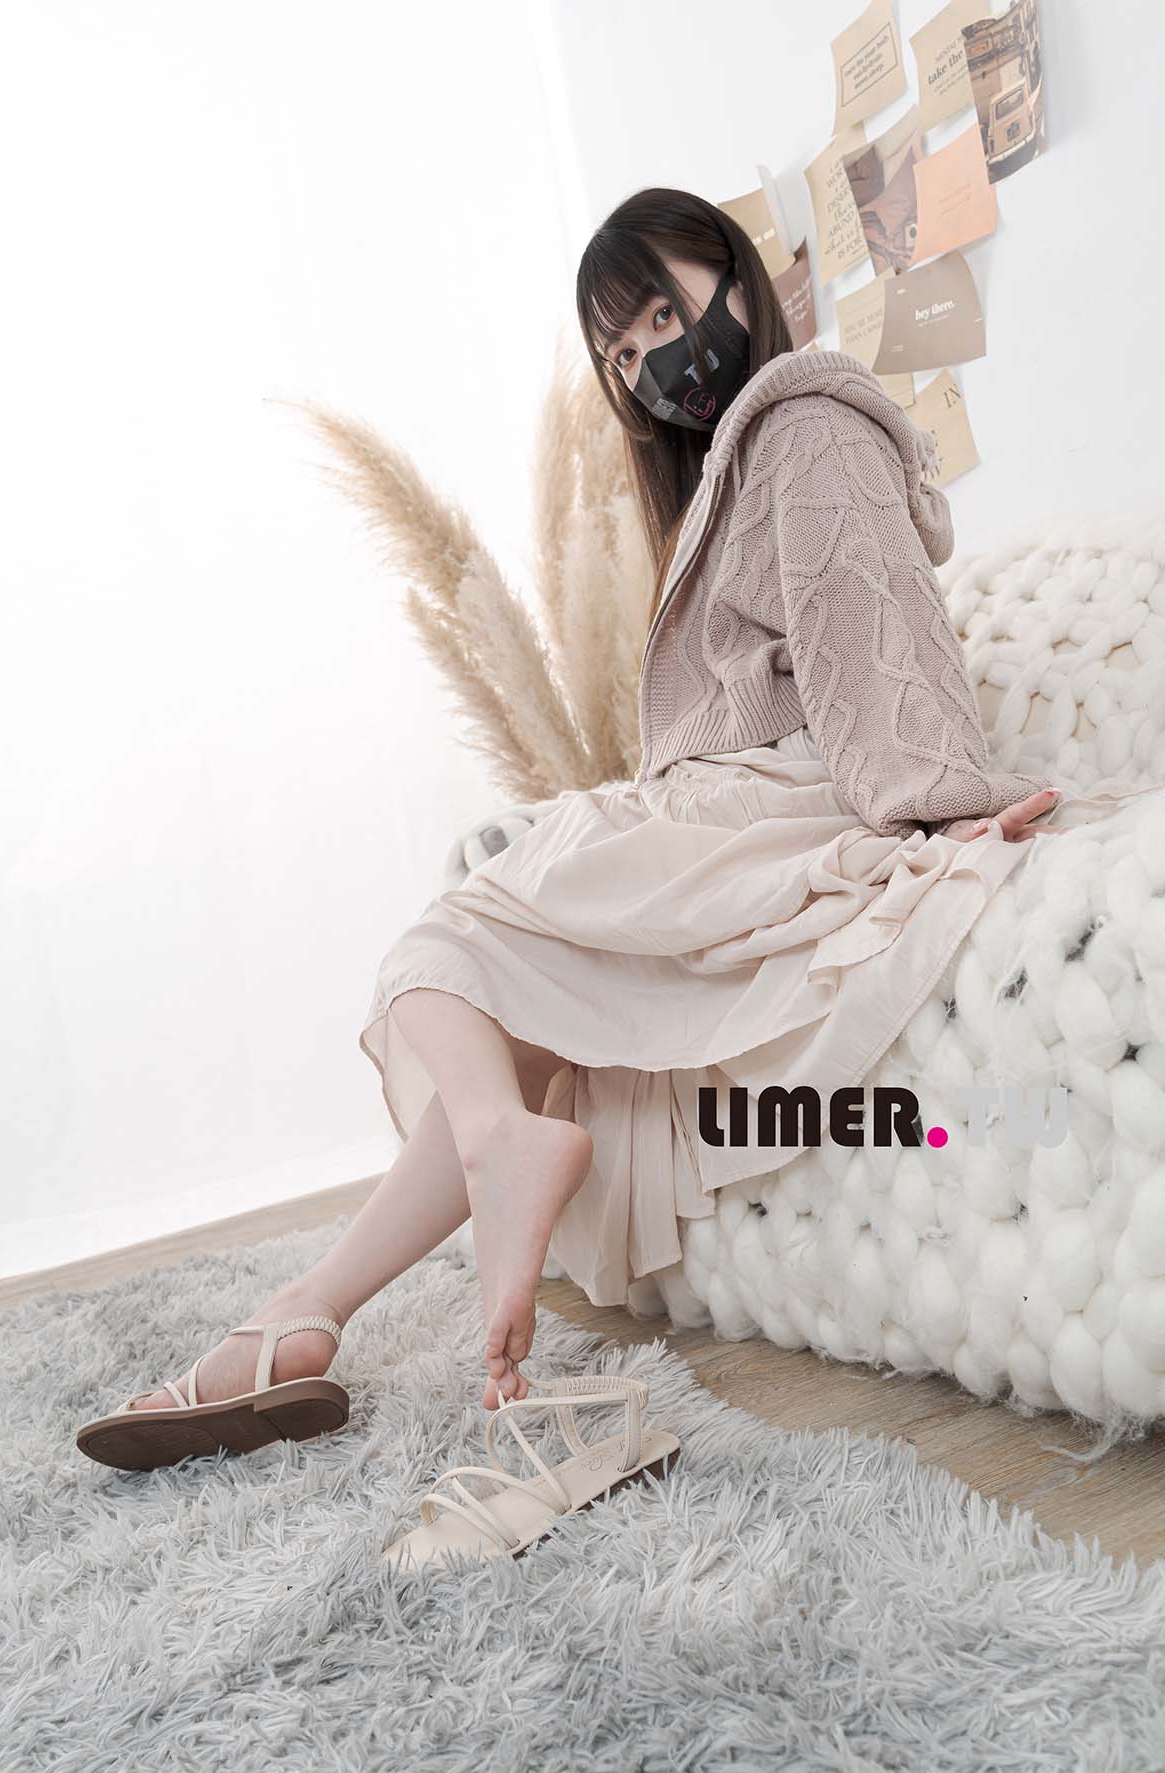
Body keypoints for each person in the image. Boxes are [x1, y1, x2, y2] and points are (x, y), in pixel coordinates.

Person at [115, 186, 1079, 1446]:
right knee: (483, 1002)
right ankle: (308, 1310)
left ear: (730, 273)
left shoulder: (806, 427)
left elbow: (872, 632)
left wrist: (938, 805)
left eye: (661, 318)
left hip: (781, 800)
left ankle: (461, 1179)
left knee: (447, 949)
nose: (650, 367)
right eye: (622, 357)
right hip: (728, 799)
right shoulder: (740, 460)